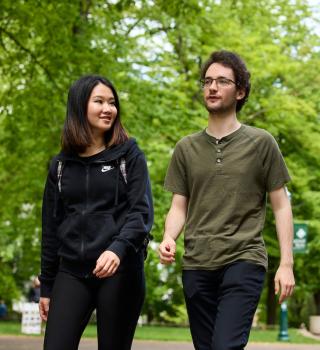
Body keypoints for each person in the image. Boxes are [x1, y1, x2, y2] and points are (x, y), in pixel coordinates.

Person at [159, 50, 295, 350]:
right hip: (197, 264)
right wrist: (169, 237)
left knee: (225, 345)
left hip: (244, 258)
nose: (212, 87)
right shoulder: (186, 148)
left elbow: (281, 204)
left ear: (241, 91)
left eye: (222, 81)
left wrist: (286, 263)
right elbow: (179, 206)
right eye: (207, 80)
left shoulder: (262, 143)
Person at [39, 75, 153, 350]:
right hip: (72, 272)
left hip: (120, 270)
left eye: (112, 103)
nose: (108, 109)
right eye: (99, 101)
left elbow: (141, 214)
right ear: (80, 106)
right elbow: (51, 228)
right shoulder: (60, 166)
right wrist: (47, 286)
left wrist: (117, 249)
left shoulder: (129, 156)